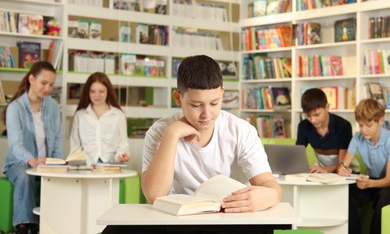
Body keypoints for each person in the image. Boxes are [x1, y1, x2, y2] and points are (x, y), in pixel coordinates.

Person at [142, 55, 281, 211]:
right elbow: (154, 195)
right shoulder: (159, 131)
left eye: (214, 103)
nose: (206, 114)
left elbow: (269, 185)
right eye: (196, 105)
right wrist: (171, 135)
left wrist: (268, 196)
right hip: (182, 221)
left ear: (222, 93)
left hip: (231, 217)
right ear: (178, 98)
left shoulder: (240, 130)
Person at [2, 61, 63, 234]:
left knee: (61, 180)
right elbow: (16, 144)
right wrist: (32, 160)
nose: (48, 88)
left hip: (46, 163)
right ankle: (25, 226)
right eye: (44, 83)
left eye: (51, 84)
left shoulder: (52, 106)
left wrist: (59, 163)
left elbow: (57, 138)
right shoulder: (15, 108)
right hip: (19, 163)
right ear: (31, 79)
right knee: (24, 175)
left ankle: (53, 223)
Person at [337, 98, 390, 234]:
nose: (364, 130)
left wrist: (369, 184)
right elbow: (343, 165)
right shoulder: (357, 138)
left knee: (383, 200)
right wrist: (342, 169)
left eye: (369, 125)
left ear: (381, 121)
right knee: (346, 195)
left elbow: (388, 180)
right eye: (360, 125)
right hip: (370, 180)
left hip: (386, 183)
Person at [69, 72, 129, 166]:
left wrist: (121, 156)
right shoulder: (80, 116)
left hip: (111, 167)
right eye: (93, 91)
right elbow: (75, 147)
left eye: (101, 91)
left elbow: (123, 144)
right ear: (88, 92)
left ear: (108, 91)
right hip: (86, 167)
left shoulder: (118, 115)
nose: (97, 95)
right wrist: (88, 162)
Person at [296, 88, 359, 173]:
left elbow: (342, 165)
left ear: (327, 107)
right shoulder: (303, 126)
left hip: (347, 172)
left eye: (317, 115)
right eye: (308, 116)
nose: (313, 120)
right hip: (322, 172)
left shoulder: (343, 126)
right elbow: (297, 155)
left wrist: (325, 169)